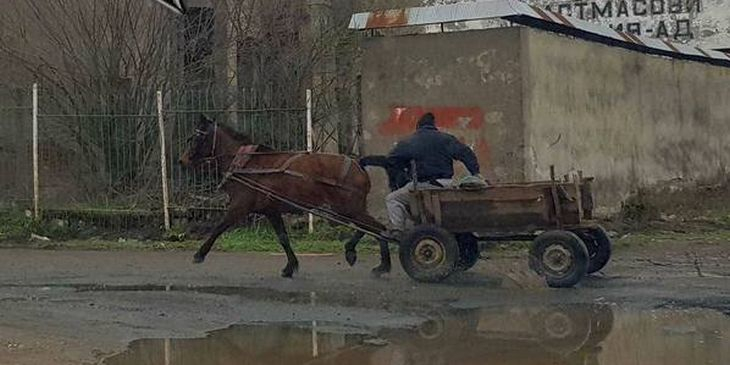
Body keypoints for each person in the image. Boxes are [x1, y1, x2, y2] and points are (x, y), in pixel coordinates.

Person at [385, 112, 484, 239]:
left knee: (392, 199)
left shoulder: (410, 141)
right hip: (446, 185)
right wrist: (475, 173)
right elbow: (466, 153)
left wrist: (404, 169)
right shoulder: (446, 139)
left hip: (423, 186)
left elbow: (392, 159)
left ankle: (398, 229)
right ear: (434, 125)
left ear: (418, 126)